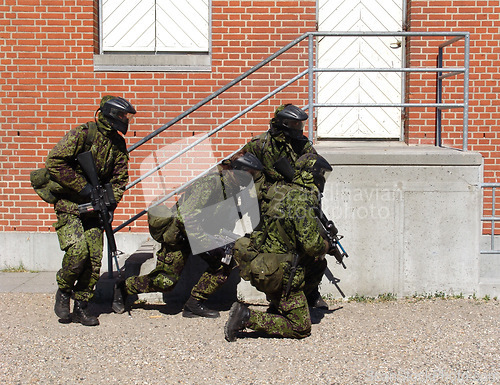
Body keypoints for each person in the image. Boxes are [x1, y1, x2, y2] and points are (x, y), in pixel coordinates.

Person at [111, 152, 263, 318]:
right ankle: (124, 287)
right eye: (249, 174)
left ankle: (194, 304)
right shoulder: (211, 183)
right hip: (180, 236)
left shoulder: (231, 188)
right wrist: (207, 244)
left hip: (202, 234)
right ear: (238, 171)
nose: (250, 178)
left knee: (223, 264)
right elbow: (186, 217)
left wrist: (222, 240)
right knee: (165, 281)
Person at [47, 95, 136, 326]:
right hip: (70, 206)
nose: (126, 120)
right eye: (123, 115)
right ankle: (64, 290)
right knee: (78, 253)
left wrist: (110, 203)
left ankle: (81, 306)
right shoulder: (83, 134)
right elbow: (55, 162)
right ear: (111, 114)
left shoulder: (118, 144)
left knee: (94, 258)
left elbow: (120, 179)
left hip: (95, 209)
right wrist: (84, 187)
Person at [225, 153, 333, 342]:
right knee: (300, 327)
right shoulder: (301, 200)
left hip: (265, 261)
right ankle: (246, 317)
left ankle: (279, 305)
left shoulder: (281, 191)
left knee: (315, 265)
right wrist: (326, 245)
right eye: (321, 174)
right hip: (280, 271)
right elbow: (312, 246)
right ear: (312, 175)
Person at [243, 103, 327, 309]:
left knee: (309, 249)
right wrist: (261, 191)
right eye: (294, 124)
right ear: (282, 123)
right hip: (267, 208)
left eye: (300, 124)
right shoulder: (261, 144)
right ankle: (278, 296)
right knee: (275, 252)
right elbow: (240, 167)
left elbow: (314, 169)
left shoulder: (302, 145)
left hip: (296, 205)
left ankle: (310, 294)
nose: (299, 128)